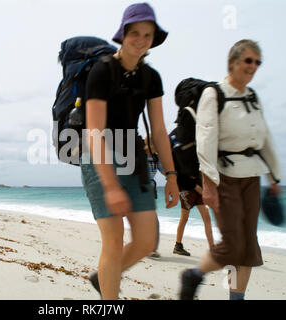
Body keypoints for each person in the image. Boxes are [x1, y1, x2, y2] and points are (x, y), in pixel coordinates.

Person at [82, 3, 179, 300]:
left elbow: (160, 131)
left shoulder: (152, 77)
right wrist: (110, 186)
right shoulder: (100, 71)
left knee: (147, 241)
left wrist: (172, 177)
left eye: (147, 35)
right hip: (100, 155)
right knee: (113, 243)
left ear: (153, 39)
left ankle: (104, 277)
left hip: (133, 155)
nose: (141, 39)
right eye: (135, 32)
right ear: (123, 34)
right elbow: (94, 131)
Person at [179, 40, 281, 300]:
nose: (253, 66)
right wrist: (209, 183)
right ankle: (194, 275)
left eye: (258, 61)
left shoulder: (252, 96)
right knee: (233, 245)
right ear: (233, 62)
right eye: (248, 60)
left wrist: (274, 177)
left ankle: (236, 298)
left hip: (252, 176)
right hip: (225, 177)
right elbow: (206, 139)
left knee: (248, 246)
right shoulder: (214, 94)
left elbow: (264, 136)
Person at [174, 170, 214, 256]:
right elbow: (182, 174)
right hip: (187, 190)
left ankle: (212, 248)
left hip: (199, 191)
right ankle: (178, 246)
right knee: (184, 218)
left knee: (207, 218)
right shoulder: (184, 157)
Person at [144, 135, 163, 259]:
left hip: (149, 191)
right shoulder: (138, 156)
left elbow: (165, 171)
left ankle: (151, 249)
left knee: (152, 221)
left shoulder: (156, 158)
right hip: (136, 189)